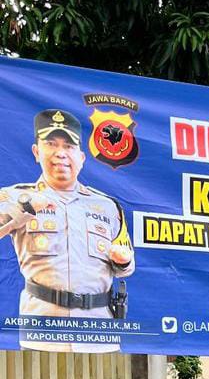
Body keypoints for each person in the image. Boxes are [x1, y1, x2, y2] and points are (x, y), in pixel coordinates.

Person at [0, 109, 135, 352]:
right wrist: (26, 208)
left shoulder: (108, 207)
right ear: (36, 151)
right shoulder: (14, 196)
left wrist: (123, 261)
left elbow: (126, 267)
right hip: (42, 331)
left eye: (69, 146)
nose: (60, 153)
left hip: (99, 334)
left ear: (81, 157)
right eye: (51, 143)